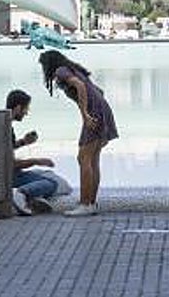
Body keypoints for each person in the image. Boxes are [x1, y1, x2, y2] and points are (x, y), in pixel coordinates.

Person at [38, 50, 117, 217]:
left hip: (94, 113)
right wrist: (95, 109)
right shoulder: (74, 69)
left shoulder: (61, 71)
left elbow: (80, 87)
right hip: (102, 109)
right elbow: (99, 91)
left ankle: (85, 203)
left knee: (84, 158)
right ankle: (91, 203)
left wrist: (85, 114)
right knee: (93, 159)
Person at [6, 89, 61, 214]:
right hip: (9, 176)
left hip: (3, 173)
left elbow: (3, 151)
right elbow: (11, 164)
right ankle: (21, 194)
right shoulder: (6, 128)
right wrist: (37, 161)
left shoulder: (1, 124)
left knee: (46, 175)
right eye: (26, 108)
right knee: (52, 183)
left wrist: (23, 142)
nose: (26, 113)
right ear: (18, 107)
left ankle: (34, 198)